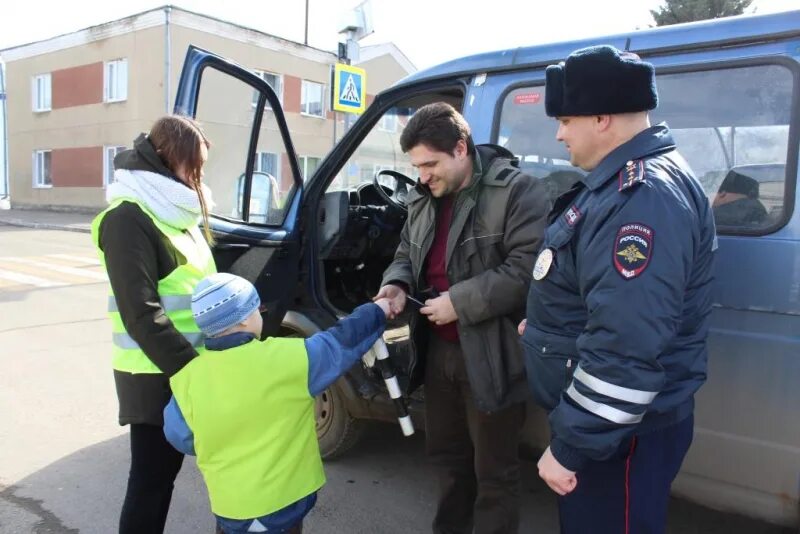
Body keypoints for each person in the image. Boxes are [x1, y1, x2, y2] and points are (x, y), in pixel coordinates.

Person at [519, 45, 717, 533]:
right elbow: (605, 300)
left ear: (602, 118)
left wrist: (570, 447)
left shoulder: (641, 197)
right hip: (615, 429)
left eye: (566, 120)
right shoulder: (623, 185)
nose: (559, 134)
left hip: (616, 436)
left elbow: (627, 344)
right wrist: (546, 326)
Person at [375, 102, 550, 533]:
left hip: (493, 351)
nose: (422, 176)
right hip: (438, 352)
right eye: (416, 166)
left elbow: (529, 270)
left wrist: (460, 301)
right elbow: (404, 254)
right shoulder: (422, 198)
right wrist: (397, 283)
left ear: (460, 148)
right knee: (448, 462)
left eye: (430, 164)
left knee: (495, 472)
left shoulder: (518, 192)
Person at [163, 272, 391, 534]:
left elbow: (182, 438)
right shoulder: (290, 359)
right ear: (247, 318)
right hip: (284, 503)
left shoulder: (188, 378)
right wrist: (377, 310)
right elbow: (341, 341)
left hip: (231, 508)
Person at [91, 115, 216, 534]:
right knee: (150, 484)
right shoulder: (128, 217)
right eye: (192, 167)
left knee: (164, 479)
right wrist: (194, 371)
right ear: (167, 160)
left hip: (185, 367)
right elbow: (141, 312)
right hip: (156, 375)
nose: (197, 178)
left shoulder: (174, 212)